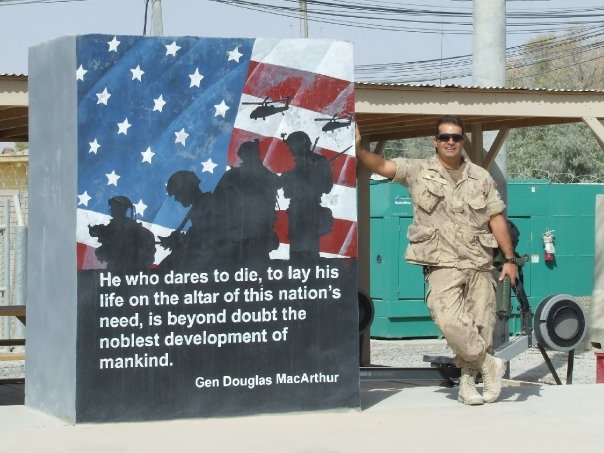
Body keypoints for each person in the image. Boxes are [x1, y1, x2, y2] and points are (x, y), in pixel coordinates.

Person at [355, 115, 518, 405]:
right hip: (442, 262)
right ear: (435, 141)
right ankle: (489, 364)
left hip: (479, 262)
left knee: (481, 327)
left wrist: (509, 259)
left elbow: (496, 218)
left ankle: (468, 385)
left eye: (456, 137)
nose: (450, 142)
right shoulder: (418, 170)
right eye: (445, 137)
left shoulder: (480, 176)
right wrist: (358, 149)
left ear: (463, 141)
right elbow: (382, 166)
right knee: (448, 320)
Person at [281, 131, 334, 261]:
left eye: (291, 145)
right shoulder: (295, 164)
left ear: (301, 144)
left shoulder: (318, 161)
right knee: (297, 253)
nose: (289, 148)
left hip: (308, 211)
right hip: (297, 211)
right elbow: (287, 192)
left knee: (308, 252)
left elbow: (327, 187)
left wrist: (315, 171)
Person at [89, 195, 156, 272]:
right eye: (112, 207)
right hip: (114, 272)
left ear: (121, 209)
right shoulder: (110, 229)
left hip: (132, 273)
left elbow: (148, 257)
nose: (111, 210)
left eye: (114, 207)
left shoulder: (141, 233)